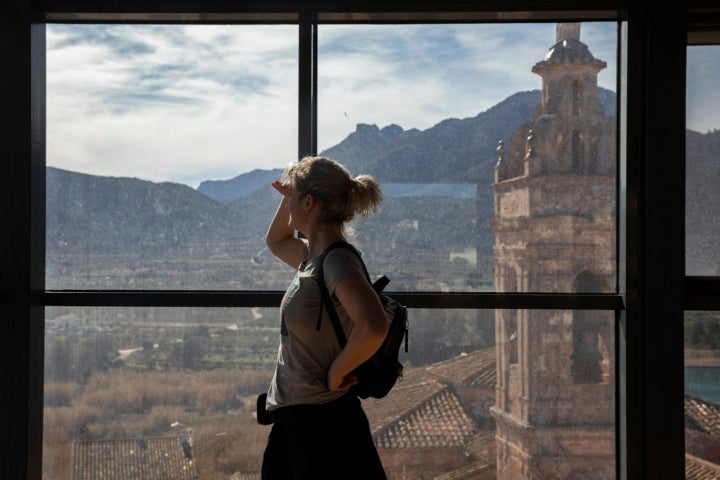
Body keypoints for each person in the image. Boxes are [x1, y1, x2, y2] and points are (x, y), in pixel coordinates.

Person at [260, 155, 389, 480]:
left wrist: (336, 372)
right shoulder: (313, 258)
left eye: (293, 198)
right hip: (301, 421)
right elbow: (275, 241)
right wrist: (291, 196)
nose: (287, 205)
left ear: (309, 203)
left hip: (321, 430)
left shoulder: (336, 262)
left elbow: (374, 325)